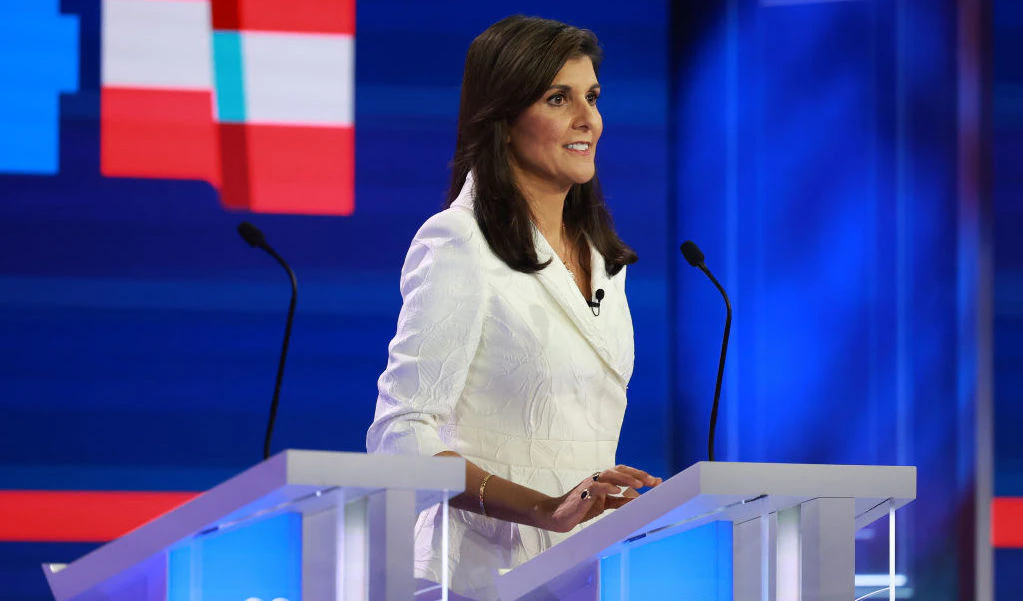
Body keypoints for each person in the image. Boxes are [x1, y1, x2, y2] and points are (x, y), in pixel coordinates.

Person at [366, 15, 661, 601]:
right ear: (503, 122)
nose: (588, 120)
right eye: (559, 98)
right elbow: (400, 435)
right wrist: (545, 509)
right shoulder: (459, 242)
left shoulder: (604, 258)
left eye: (592, 97)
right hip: (479, 575)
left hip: (588, 572)